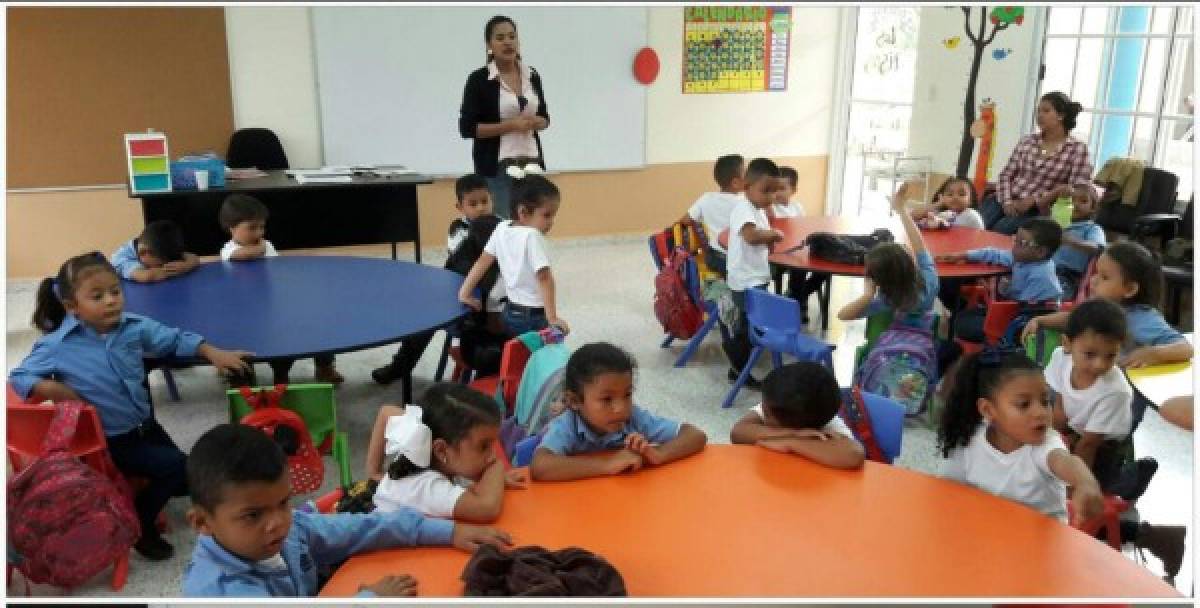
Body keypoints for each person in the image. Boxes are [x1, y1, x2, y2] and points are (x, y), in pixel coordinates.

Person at [9, 252, 252, 560]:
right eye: (97, 296)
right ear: (73, 308)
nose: (111, 301)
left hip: (145, 424)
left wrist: (212, 352)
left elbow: (173, 339)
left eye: (115, 291)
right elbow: (19, 376)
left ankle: (159, 484)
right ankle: (140, 522)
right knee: (177, 467)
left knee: (186, 471)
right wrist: (54, 388)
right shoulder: (57, 346)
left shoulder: (134, 327)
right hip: (112, 439)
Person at [182, 423, 512, 597]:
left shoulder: (291, 528)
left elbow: (361, 528)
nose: (277, 523)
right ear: (202, 522)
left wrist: (446, 531)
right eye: (253, 515)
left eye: (283, 503)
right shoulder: (220, 590)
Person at [1043, 300, 1184, 582]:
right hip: (1075, 434)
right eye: (1091, 354)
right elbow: (1059, 406)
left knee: (1080, 508)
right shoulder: (1060, 358)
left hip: (1104, 450)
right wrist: (1051, 440)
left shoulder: (1114, 390)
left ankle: (1154, 535)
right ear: (1068, 344)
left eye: (1110, 356)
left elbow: (1090, 446)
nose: (1100, 365)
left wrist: (1075, 486)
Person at [1023, 241, 1193, 435]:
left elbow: (1185, 348)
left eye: (1104, 277)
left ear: (1129, 289)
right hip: (1086, 386)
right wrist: (1041, 320)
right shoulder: (1103, 306)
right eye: (1096, 273)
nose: (1093, 280)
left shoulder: (1142, 318)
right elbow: (1074, 318)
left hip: (1110, 402)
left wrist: (1152, 353)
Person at [937, 347, 1104, 526]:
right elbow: (946, 490)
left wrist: (1085, 482)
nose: (1040, 412)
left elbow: (1065, 461)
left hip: (1039, 545)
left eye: (1045, 401)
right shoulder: (970, 438)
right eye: (1024, 404)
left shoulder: (1043, 445)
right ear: (988, 410)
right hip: (988, 533)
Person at [372, 175, 507, 390]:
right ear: (459, 206)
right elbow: (463, 266)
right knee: (424, 320)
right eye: (473, 204)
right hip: (460, 295)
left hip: (490, 303)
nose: (481, 208)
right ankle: (400, 367)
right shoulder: (458, 230)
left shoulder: (503, 228)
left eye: (485, 201)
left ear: (493, 200)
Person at [530, 342, 707, 481]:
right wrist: (607, 464)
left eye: (627, 394)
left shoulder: (633, 418)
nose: (621, 408)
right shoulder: (567, 425)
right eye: (607, 399)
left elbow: (695, 435)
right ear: (575, 401)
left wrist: (659, 454)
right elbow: (540, 467)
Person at [218, 194, 342, 385]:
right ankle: (244, 373)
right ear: (231, 228)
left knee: (314, 324)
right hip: (244, 310)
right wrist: (261, 248)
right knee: (243, 341)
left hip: (271, 301)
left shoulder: (266, 245)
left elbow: (277, 268)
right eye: (251, 228)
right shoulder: (229, 249)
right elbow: (242, 255)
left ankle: (322, 366)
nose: (259, 233)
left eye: (262, 227)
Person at [363, 383, 528, 523]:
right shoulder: (425, 486)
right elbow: (486, 508)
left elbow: (386, 412)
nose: (493, 455)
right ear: (441, 450)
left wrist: (374, 472)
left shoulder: (422, 438)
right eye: (484, 446)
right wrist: (496, 468)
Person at [458, 15, 550, 219]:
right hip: (497, 166)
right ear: (489, 45)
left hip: (531, 161)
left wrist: (538, 122)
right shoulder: (479, 80)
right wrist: (510, 125)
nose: (508, 42)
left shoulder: (531, 75)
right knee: (505, 225)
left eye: (512, 36)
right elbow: (467, 128)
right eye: (500, 38)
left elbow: (545, 117)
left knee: (533, 223)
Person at [459, 175, 568, 337]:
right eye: (547, 215)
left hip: (510, 313)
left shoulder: (501, 228)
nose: (551, 222)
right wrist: (552, 317)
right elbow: (544, 277)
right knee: (543, 357)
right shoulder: (532, 236)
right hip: (534, 316)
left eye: (553, 216)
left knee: (516, 355)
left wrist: (464, 292)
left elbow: (482, 262)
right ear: (523, 212)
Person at [979, 91, 1094, 235]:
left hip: (1039, 209)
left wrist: (1035, 199)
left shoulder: (1077, 149)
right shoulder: (1027, 141)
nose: (1039, 115)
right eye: (1038, 111)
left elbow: (1075, 190)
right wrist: (1007, 202)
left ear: (1061, 115)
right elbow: (1006, 174)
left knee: (1001, 230)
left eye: (1046, 110)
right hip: (1005, 198)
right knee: (977, 224)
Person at [938, 217, 1063, 345]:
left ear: (1040, 252)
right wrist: (964, 255)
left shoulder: (1041, 277)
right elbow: (994, 254)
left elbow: (1028, 315)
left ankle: (995, 347)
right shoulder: (1025, 258)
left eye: (1022, 243)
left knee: (962, 323)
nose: (1014, 246)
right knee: (962, 316)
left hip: (1024, 325)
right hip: (1012, 311)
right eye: (1016, 240)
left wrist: (998, 314)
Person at [720, 158, 785, 387]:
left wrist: (768, 240)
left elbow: (758, 236)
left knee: (750, 325)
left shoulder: (758, 210)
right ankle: (738, 370)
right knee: (745, 329)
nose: (770, 197)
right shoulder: (742, 208)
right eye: (765, 191)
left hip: (755, 277)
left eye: (774, 192)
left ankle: (741, 365)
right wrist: (772, 236)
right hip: (745, 280)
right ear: (746, 186)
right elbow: (750, 236)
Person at [838, 182, 939, 328]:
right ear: (910, 262)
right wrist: (902, 210)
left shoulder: (888, 299)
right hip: (923, 342)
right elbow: (918, 242)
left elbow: (843, 315)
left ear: (879, 281)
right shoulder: (929, 280)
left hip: (892, 342)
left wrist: (867, 296)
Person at [729, 362, 865, 469]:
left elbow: (854, 455)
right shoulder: (777, 405)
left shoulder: (829, 427)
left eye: (766, 412)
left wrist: (789, 443)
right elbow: (738, 432)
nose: (762, 409)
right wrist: (793, 433)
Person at [770, 166, 828, 325]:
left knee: (824, 269)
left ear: (793, 190)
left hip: (797, 250)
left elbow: (803, 230)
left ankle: (799, 296)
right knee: (799, 269)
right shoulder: (771, 209)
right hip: (779, 255)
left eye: (782, 188)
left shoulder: (797, 207)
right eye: (774, 189)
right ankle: (798, 303)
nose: (777, 193)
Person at [679, 154, 745, 276]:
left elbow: (685, 220)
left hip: (714, 258)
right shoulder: (744, 202)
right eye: (746, 174)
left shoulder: (706, 198)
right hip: (737, 260)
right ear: (735, 182)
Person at [1052, 183, 1106, 301]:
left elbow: (1097, 248)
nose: (1075, 204)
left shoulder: (1092, 228)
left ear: (1093, 208)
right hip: (1046, 269)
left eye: (1083, 201)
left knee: (1054, 296)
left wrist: (1074, 242)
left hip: (1069, 276)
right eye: (1071, 200)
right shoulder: (1057, 223)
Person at [110, 219, 200, 283]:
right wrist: (172, 270)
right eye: (159, 265)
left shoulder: (156, 247)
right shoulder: (122, 260)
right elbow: (147, 276)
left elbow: (193, 257)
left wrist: (186, 265)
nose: (164, 266)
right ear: (143, 253)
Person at [909, 176, 983, 230]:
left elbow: (950, 229)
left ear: (970, 200)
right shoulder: (948, 214)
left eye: (961, 194)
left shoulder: (971, 215)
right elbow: (912, 216)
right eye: (950, 194)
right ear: (943, 197)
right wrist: (938, 204)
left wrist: (936, 222)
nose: (955, 197)